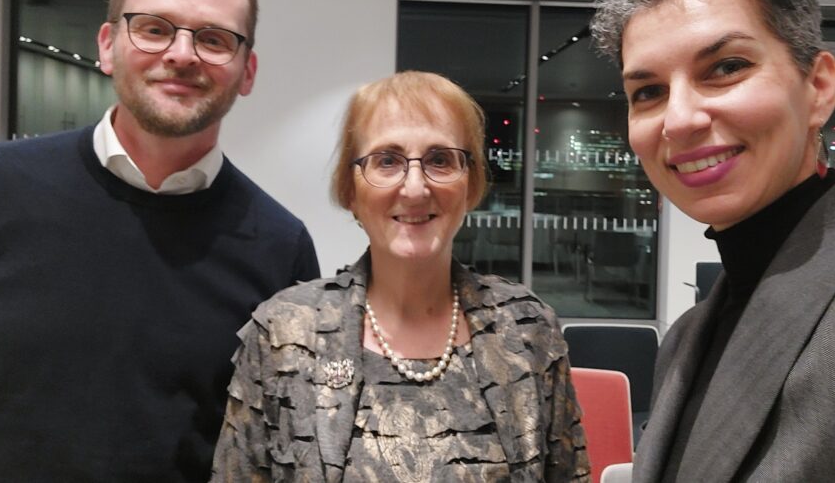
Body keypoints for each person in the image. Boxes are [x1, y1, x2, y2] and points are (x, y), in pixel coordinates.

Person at [0, 0, 320, 482]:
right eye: (154, 28)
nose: (181, 54)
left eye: (214, 38)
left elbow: (280, 448)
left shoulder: (280, 248)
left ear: (247, 70)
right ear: (108, 45)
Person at [591, 0, 835, 482]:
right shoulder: (688, 336)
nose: (677, 119)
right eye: (648, 90)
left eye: (726, 67)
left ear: (820, 88)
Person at [211, 71, 590, 482]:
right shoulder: (284, 334)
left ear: (471, 184)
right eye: (387, 160)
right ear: (350, 189)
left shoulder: (528, 333)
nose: (414, 188)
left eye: (440, 160)